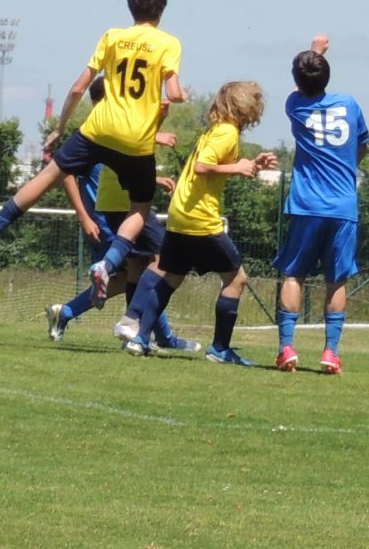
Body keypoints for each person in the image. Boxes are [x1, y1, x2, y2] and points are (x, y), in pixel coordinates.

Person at [0, 0, 187, 297]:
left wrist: (59, 128)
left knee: (50, 174)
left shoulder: (112, 36)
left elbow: (79, 87)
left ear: (131, 7)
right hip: (136, 141)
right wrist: (179, 94)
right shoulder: (168, 43)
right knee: (139, 208)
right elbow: (173, 92)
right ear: (162, 9)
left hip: (98, 129)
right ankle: (108, 264)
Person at [118, 79, 276, 364]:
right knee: (236, 279)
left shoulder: (216, 130)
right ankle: (220, 349)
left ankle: (140, 339)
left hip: (181, 214)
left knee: (171, 277)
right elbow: (203, 166)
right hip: (200, 218)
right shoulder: (227, 132)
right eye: (256, 101)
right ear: (244, 106)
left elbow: (212, 166)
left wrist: (251, 164)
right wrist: (238, 168)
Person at [273, 35, 367, 374]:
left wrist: (314, 52)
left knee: (294, 274)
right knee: (336, 279)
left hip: (306, 204)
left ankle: (286, 347)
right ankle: (330, 352)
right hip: (342, 206)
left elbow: (301, 85)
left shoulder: (294, 106)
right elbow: (363, 145)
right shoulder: (350, 105)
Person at [46, 154, 188, 349]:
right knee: (152, 264)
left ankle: (68, 313)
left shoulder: (110, 145)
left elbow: (120, 170)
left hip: (116, 210)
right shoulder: (92, 144)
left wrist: (153, 179)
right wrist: (84, 217)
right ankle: (152, 333)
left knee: (133, 272)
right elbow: (67, 173)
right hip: (106, 219)